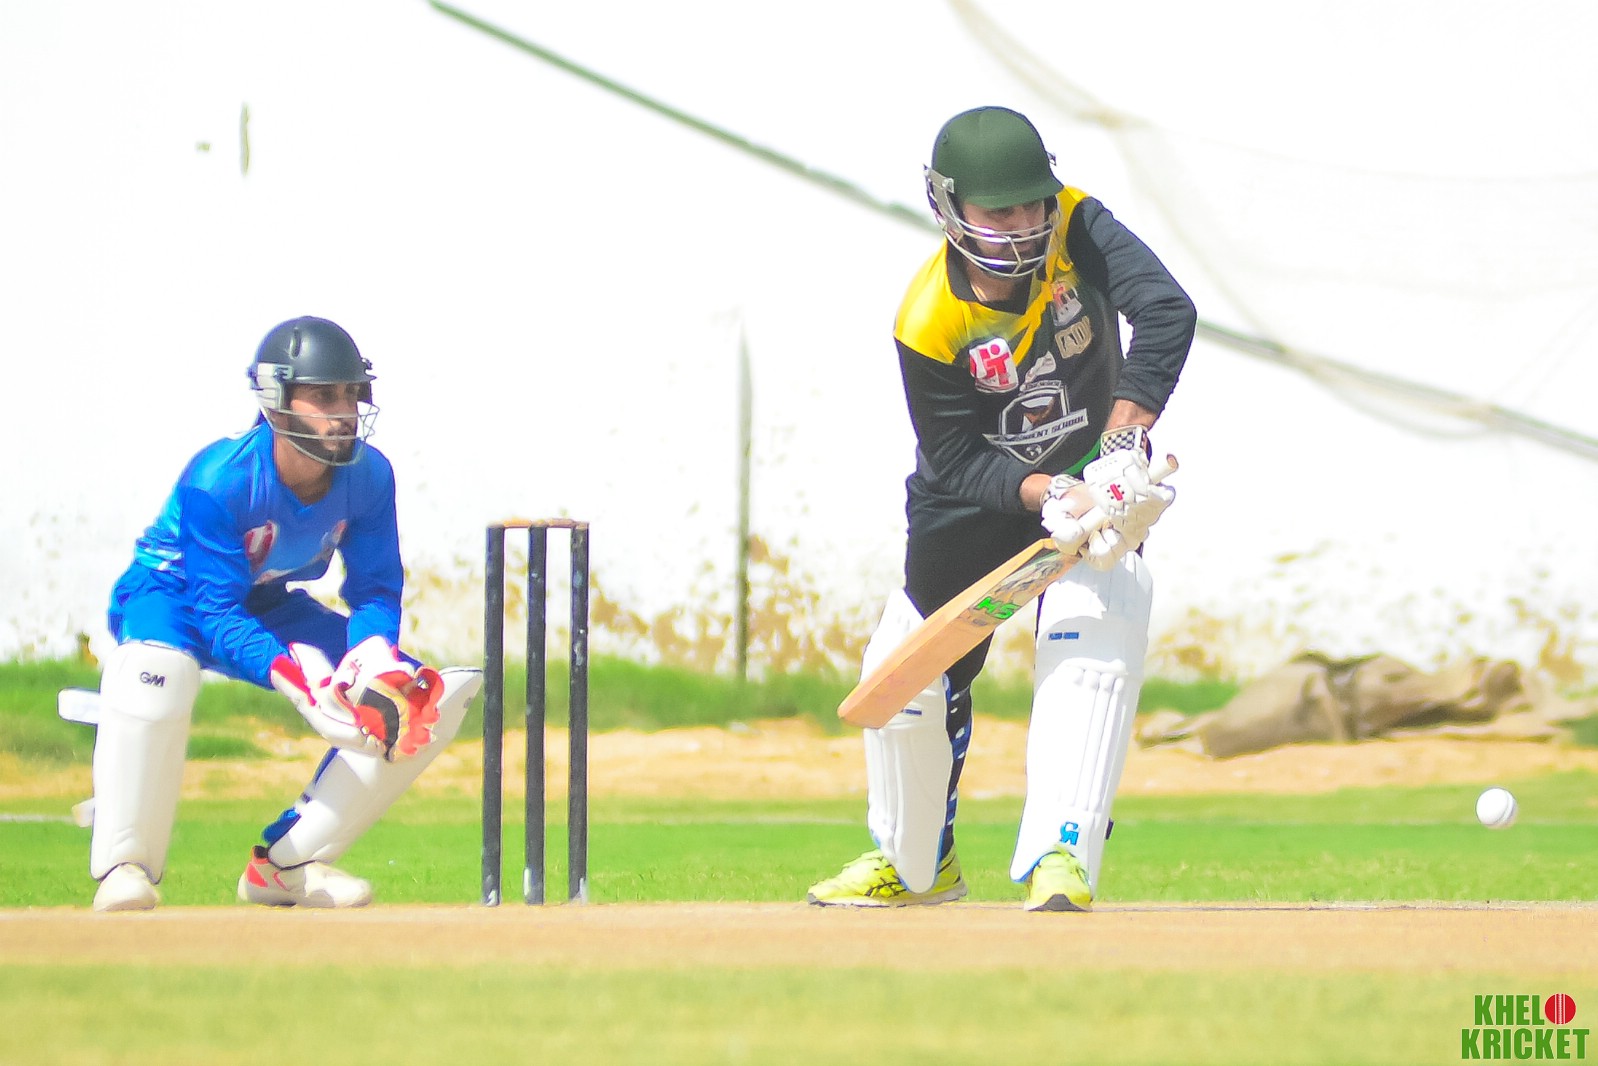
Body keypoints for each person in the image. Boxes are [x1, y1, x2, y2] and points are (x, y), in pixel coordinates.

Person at [807, 106, 1195, 912]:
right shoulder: (929, 318)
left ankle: (1061, 853)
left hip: (1092, 477)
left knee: (1094, 628)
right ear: (947, 207)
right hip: (974, 497)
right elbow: (954, 457)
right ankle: (915, 867)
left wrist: (1120, 451)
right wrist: (1046, 493)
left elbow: (1166, 310)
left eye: (1031, 204)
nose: (1023, 226)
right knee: (904, 675)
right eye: (999, 211)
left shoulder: (1078, 225)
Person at [88, 316, 482, 912]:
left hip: (265, 600)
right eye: (323, 396)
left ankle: (287, 865)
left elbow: (375, 591)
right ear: (275, 400)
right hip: (172, 595)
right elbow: (215, 613)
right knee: (157, 675)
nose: (343, 413)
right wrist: (297, 679)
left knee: (417, 700)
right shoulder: (219, 479)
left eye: (350, 395)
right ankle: (125, 867)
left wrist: (372, 656)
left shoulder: (369, 476)